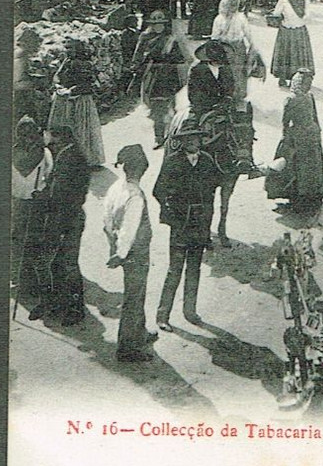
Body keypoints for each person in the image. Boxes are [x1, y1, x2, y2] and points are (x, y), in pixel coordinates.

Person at [153, 117, 219, 329]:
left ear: (201, 140)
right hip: (180, 224)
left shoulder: (207, 161)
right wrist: (172, 213)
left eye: (196, 139)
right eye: (188, 139)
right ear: (182, 141)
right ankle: (163, 316)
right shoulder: (172, 162)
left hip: (200, 224)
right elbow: (158, 191)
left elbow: (211, 194)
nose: (193, 143)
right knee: (175, 269)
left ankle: (190, 311)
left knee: (194, 269)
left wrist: (207, 227)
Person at [103, 144, 157, 363]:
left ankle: (140, 332)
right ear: (141, 169)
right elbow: (130, 228)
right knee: (134, 298)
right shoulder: (135, 196)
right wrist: (121, 253)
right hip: (135, 252)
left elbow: (106, 219)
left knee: (138, 293)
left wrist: (112, 244)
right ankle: (127, 348)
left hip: (122, 248)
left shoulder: (116, 187)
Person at [42, 124, 91, 326]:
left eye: (52, 137)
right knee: (57, 262)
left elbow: (68, 193)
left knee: (69, 264)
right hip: (62, 216)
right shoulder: (64, 154)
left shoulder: (73, 159)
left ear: (61, 138)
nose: (49, 140)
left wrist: (58, 216)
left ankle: (75, 309)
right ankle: (59, 303)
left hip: (68, 217)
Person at [265, 70, 323, 214]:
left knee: (307, 169)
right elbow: (285, 122)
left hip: (308, 136)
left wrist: (317, 131)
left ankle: (309, 197)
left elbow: (314, 116)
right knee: (299, 169)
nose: (308, 86)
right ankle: (299, 198)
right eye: (306, 83)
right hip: (300, 137)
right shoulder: (292, 99)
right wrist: (286, 138)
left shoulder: (307, 97)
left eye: (310, 83)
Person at [11, 116, 53, 320]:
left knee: (32, 244)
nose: (27, 139)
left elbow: (49, 178)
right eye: (23, 134)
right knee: (18, 243)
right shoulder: (12, 153)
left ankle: (31, 285)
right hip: (17, 205)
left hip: (34, 205)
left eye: (31, 134)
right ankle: (22, 282)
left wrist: (42, 194)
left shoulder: (44, 154)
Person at [131, 10, 187, 147]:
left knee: (170, 105)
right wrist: (138, 66)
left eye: (160, 23)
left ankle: (171, 135)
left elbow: (180, 57)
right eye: (155, 23)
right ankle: (159, 136)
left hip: (168, 75)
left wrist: (171, 59)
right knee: (156, 108)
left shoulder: (171, 38)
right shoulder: (145, 37)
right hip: (152, 76)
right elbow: (137, 56)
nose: (158, 26)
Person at [47, 39, 105, 167]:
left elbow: (88, 84)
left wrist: (71, 90)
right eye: (66, 48)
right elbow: (57, 77)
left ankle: (86, 159)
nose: (68, 51)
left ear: (78, 49)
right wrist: (58, 86)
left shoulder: (85, 64)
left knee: (82, 129)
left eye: (71, 48)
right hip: (65, 99)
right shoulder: (66, 62)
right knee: (65, 129)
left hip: (80, 100)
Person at [270, 0, 315, 88]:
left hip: (286, 30)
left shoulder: (284, 0)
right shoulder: (305, 1)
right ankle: (296, 79)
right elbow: (308, 17)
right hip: (300, 31)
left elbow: (276, 14)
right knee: (299, 56)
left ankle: (282, 78)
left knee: (284, 53)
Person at [187, 38, 236, 117]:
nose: (222, 63)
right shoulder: (198, 71)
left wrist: (228, 98)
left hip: (223, 107)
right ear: (210, 60)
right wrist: (212, 107)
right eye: (218, 61)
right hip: (203, 108)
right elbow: (195, 94)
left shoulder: (225, 68)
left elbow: (230, 86)